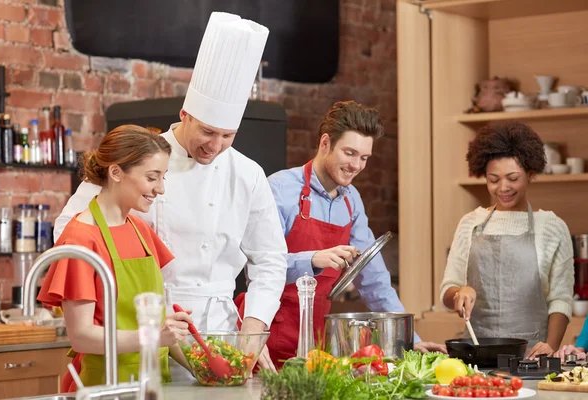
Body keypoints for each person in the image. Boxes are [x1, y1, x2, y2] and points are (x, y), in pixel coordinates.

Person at [53, 12, 286, 375]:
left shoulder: (247, 174)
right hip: (146, 332)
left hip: (221, 332)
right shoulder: (139, 157)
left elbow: (270, 260)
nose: (216, 146)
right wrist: (111, 310)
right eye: (208, 132)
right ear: (185, 114)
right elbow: (70, 231)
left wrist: (253, 332)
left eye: (228, 136)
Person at [235, 101, 446, 368]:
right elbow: (257, 266)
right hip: (266, 331)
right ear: (325, 143)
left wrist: (409, 340)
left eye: (364, 158)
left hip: (315, 338)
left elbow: (374, 279)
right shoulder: (279, 189)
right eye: (350, 153)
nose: (356, 165)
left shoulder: (351, 201)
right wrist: (313, 259)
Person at [38, 125, 193, 391]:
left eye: (163, 177)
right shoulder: (81, 239)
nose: (161, 189)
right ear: (116, 172)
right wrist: (153, 337)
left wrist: (204, 367)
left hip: (153, 386)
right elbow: (82, 337)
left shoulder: (141, 230)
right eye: (152, 177)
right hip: (105, 387)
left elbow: (158, 326)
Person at [440, 121, 574, 358]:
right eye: (493, 179)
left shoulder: (552, 227)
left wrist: (551, 346)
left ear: (531, 173)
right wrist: (459, 292)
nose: (503, 187)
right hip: (475, 354)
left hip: (532, 356)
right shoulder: (470, 224)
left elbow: (561, 299)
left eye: (513, 178)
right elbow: (447, 290)